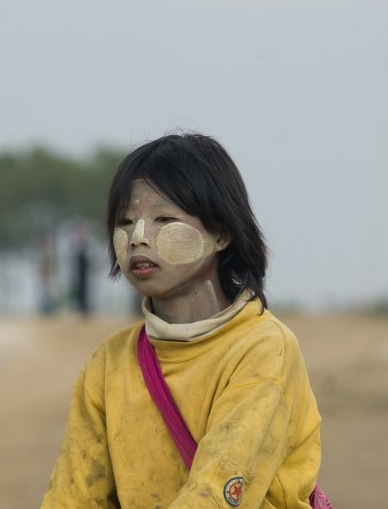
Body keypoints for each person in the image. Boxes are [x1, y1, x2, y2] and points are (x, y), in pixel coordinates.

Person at [42, 134, 322, 508]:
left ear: (221, 232)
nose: (138, 237)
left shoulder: (262, 349)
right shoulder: (108, 363)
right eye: (125, 221)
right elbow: (72, 496)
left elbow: (215, 494)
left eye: (163, 219)